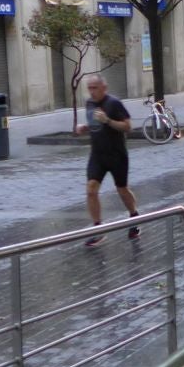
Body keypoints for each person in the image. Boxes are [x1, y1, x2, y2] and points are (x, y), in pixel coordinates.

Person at [74, 74, 141, 247]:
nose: (92, 91)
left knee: (122, 189)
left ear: (104, 88)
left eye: (95, 88)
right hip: (97, 155)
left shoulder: (114, 103)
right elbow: (95, 125)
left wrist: (108, 120)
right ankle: (98, 230)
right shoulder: (89, 103)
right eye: (89, 88)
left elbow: (128, 126)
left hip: (116, 154)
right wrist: (84, 127)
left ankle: (134, 216)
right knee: (91, 190)